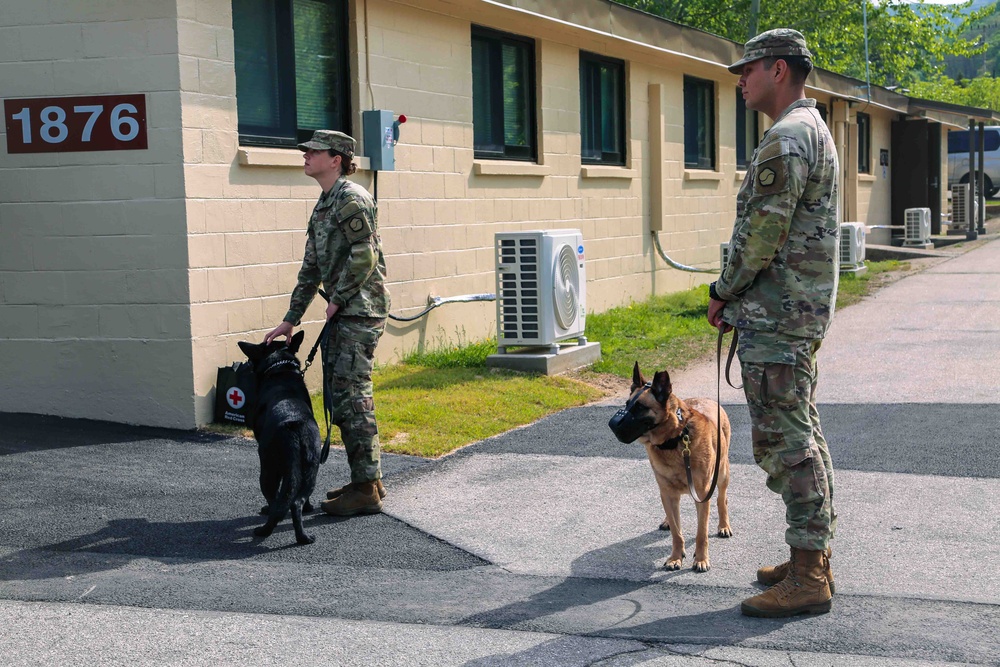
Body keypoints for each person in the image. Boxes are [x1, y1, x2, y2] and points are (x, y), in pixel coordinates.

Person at [707, 29, 839, 618]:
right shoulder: (812, 129)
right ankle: (812, 557)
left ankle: (809, 575)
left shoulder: (786, 138)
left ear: (778, 70)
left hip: (779, 313)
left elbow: (763, 234)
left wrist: (722, 290)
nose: (741, 79)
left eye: (748, 68)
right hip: (793, 311)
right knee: (801, 432)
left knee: (786, 443)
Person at [264, 130, 390, 517]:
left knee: (352, 396)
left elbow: (365, 255)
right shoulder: (324, 203)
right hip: (346, 310)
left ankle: (366, 488)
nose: (305, 156)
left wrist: (338, 298)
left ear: (336, 159)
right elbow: (311, 269)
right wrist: (290, 319)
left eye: (313, 152)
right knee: (342, 395)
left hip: (359, 311)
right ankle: (365, 479)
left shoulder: (351, 198)